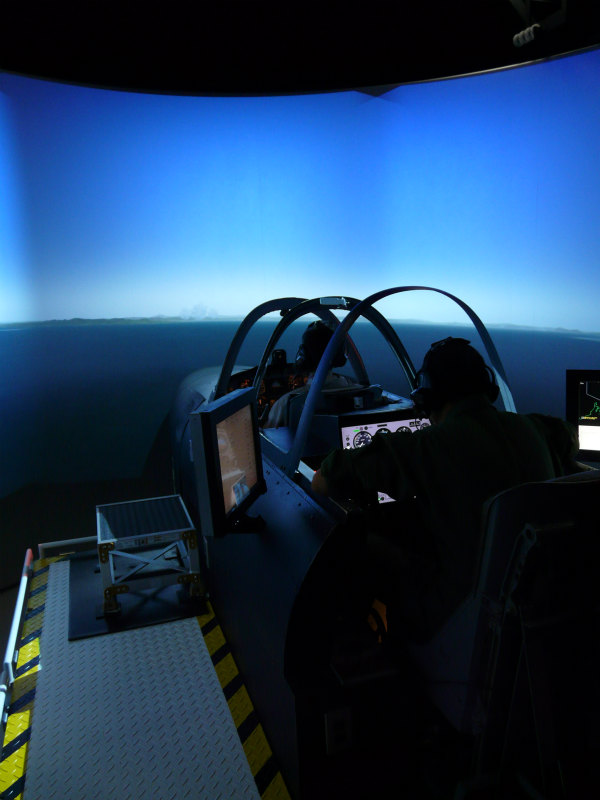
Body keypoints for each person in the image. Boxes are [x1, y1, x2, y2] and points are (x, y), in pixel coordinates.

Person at [311, 336, 582, 642]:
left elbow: (324, 480)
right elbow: (571, 437)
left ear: (430, 394)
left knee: (366, 542)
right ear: (487, 387)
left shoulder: (429, 447)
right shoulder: (536, 428)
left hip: (461, 622)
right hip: (534, 617)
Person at [263, 320, 357, 428]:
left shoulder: (286, 403)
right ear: (340, 353)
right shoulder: (359, 392)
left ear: (303, 355)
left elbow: (264, 436)